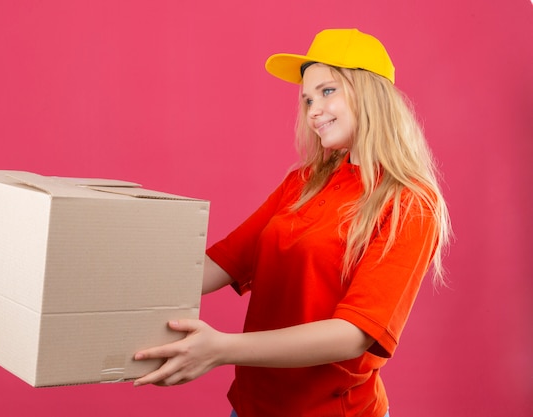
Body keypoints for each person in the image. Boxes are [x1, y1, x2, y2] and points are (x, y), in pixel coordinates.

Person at [133, 28, 451, 417]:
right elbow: (222, 262)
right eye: (307, 99)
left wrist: (219, 349)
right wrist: (125, 284)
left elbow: (353, 335)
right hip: (253, 407)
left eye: (327, 91)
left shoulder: (409, 202)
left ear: (370, 93)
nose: (313, 109)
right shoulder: (302, 182)